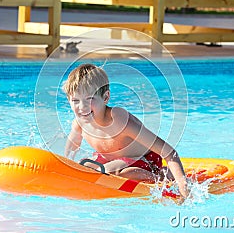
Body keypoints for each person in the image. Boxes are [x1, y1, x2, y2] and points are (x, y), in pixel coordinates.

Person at [63, 63, 189, 198]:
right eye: (75, 100)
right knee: (85, 164)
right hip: (111, 161)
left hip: (144, 161)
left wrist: (183, 184)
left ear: (105, 97)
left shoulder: (121, 122)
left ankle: (163, 174)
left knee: (122, 174)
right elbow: (70, 152)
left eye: (89, 99)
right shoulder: (79, 124)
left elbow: (169, 152)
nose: (82, 107)